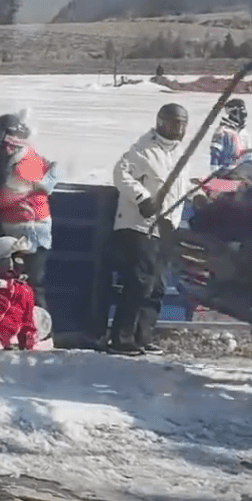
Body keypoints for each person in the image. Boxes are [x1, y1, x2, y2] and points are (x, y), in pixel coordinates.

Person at [109, 102, 193, 356]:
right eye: (170, 123)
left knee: (157, 286)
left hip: (166, 229)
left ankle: (143, 335)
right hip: (140, 226)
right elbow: (120, 173)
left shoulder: (180, 154)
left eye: (180, 124)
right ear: (159, 123)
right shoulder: (144, 150)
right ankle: (122, 338)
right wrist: (142, 198)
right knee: (139, 283)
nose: (175, 129)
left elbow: (179, 187)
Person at [0, 113, 57, 311]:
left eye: (9, 144)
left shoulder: (25, 166)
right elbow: (53, 167)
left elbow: (1, 199)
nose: (3, 149)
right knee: (15, 281)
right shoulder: (25, 157)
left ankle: (37, 326)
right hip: (17, 228)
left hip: (29, 231)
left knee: (29, 282)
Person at [209, 98, 250, 171]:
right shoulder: (223, 131)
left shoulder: (244, 133)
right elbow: (215, 153)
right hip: (226, 172)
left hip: (241, 173)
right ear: (233, 113)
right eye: (240, 112)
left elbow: (247, 155)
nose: (243, 116)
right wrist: (215, 172)